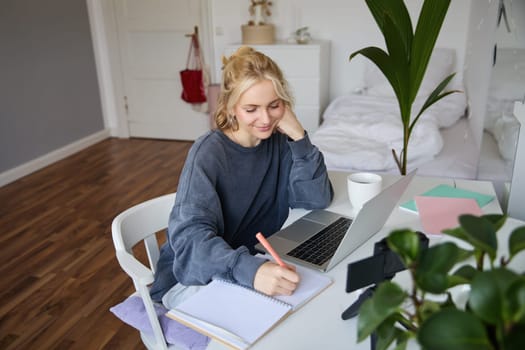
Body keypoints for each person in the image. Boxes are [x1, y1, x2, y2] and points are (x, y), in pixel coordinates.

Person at [150, 46, 333, 305]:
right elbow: (190, 239)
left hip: (252, 265)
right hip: (195, 278)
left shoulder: (279, 142)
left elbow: (315, 200)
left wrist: (299, 137)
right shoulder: (209, 152)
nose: (265, 118)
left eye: (274, 105)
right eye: (251, 109)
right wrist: (250, 270)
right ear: (230, 107)